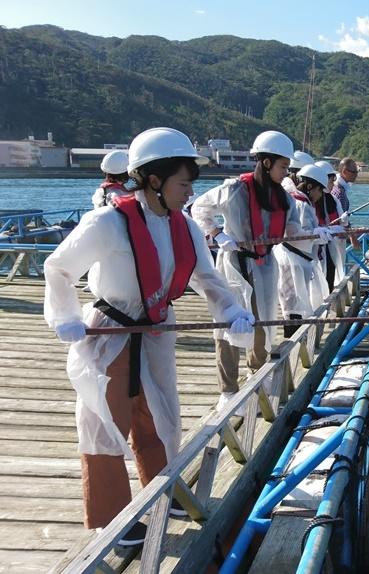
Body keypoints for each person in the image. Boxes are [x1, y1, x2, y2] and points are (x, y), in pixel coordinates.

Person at [43, 127, 254, 545]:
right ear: (154, 179)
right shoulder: (107, 221)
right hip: (110, 331)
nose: (189, 192)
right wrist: (65, 316)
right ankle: (111, 520)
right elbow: (58, 267)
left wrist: (232, 313)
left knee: (160, 415)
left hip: (156, 330)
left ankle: (164, 489)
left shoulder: (186, 226)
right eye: (183, 183)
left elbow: (209, 279)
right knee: (104, 421)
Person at [191, 130, 300, 410]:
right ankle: (228, 390)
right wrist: (217, 233)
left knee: (262, 323)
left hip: (265, 267)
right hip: (234, 265)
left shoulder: (285, 199)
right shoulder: (234, 189)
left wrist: (320, 233)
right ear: (266, 162)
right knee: (228, 326)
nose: (286, 172)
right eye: (283, 166)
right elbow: (199, 208)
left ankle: (257, 374)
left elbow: (294, 231)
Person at [274, 163, 332, 336]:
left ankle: (295, 341)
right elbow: (294, 234)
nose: (320, 195)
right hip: (293, 260)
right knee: (294, 305)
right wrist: (316, 234)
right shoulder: (300, 204)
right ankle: (292, 343)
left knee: (295, 303)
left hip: (297, 260)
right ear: (310, 186)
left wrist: (317, 234)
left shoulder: (299, 201)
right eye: (319, 190)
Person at [314, 160, 348, 289]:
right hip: (318, 249)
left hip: (331, 246)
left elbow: (341, 220)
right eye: (331, 180)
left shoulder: (332, 199)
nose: (333, 184)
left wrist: (343, 224)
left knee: (331, 275)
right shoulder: (311, 200)